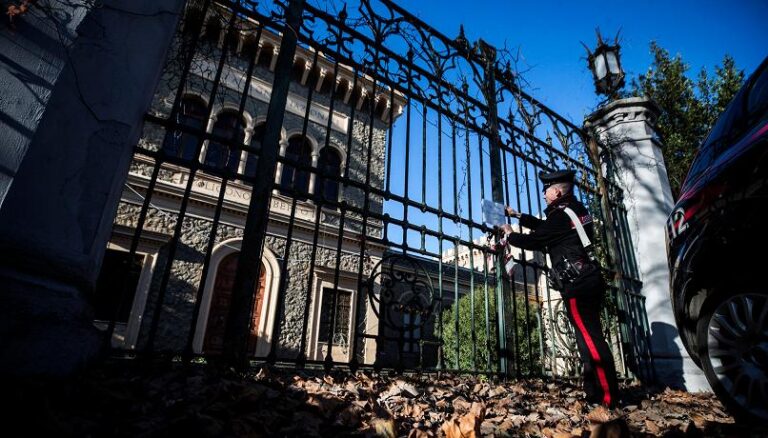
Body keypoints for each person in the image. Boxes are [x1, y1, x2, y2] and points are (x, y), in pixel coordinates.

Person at [498, 169, 619, 408]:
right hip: (590, 276)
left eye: (545, 191)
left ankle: (608, 397)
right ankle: (594, 392)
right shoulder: (576, 211)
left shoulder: (559, 217)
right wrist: (517, 215)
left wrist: (510, 235)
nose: (543, 195)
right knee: (589, 338)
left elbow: (536, 239)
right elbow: (547, 228)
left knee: (590, 341)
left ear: (555, 191)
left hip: (577, 284)